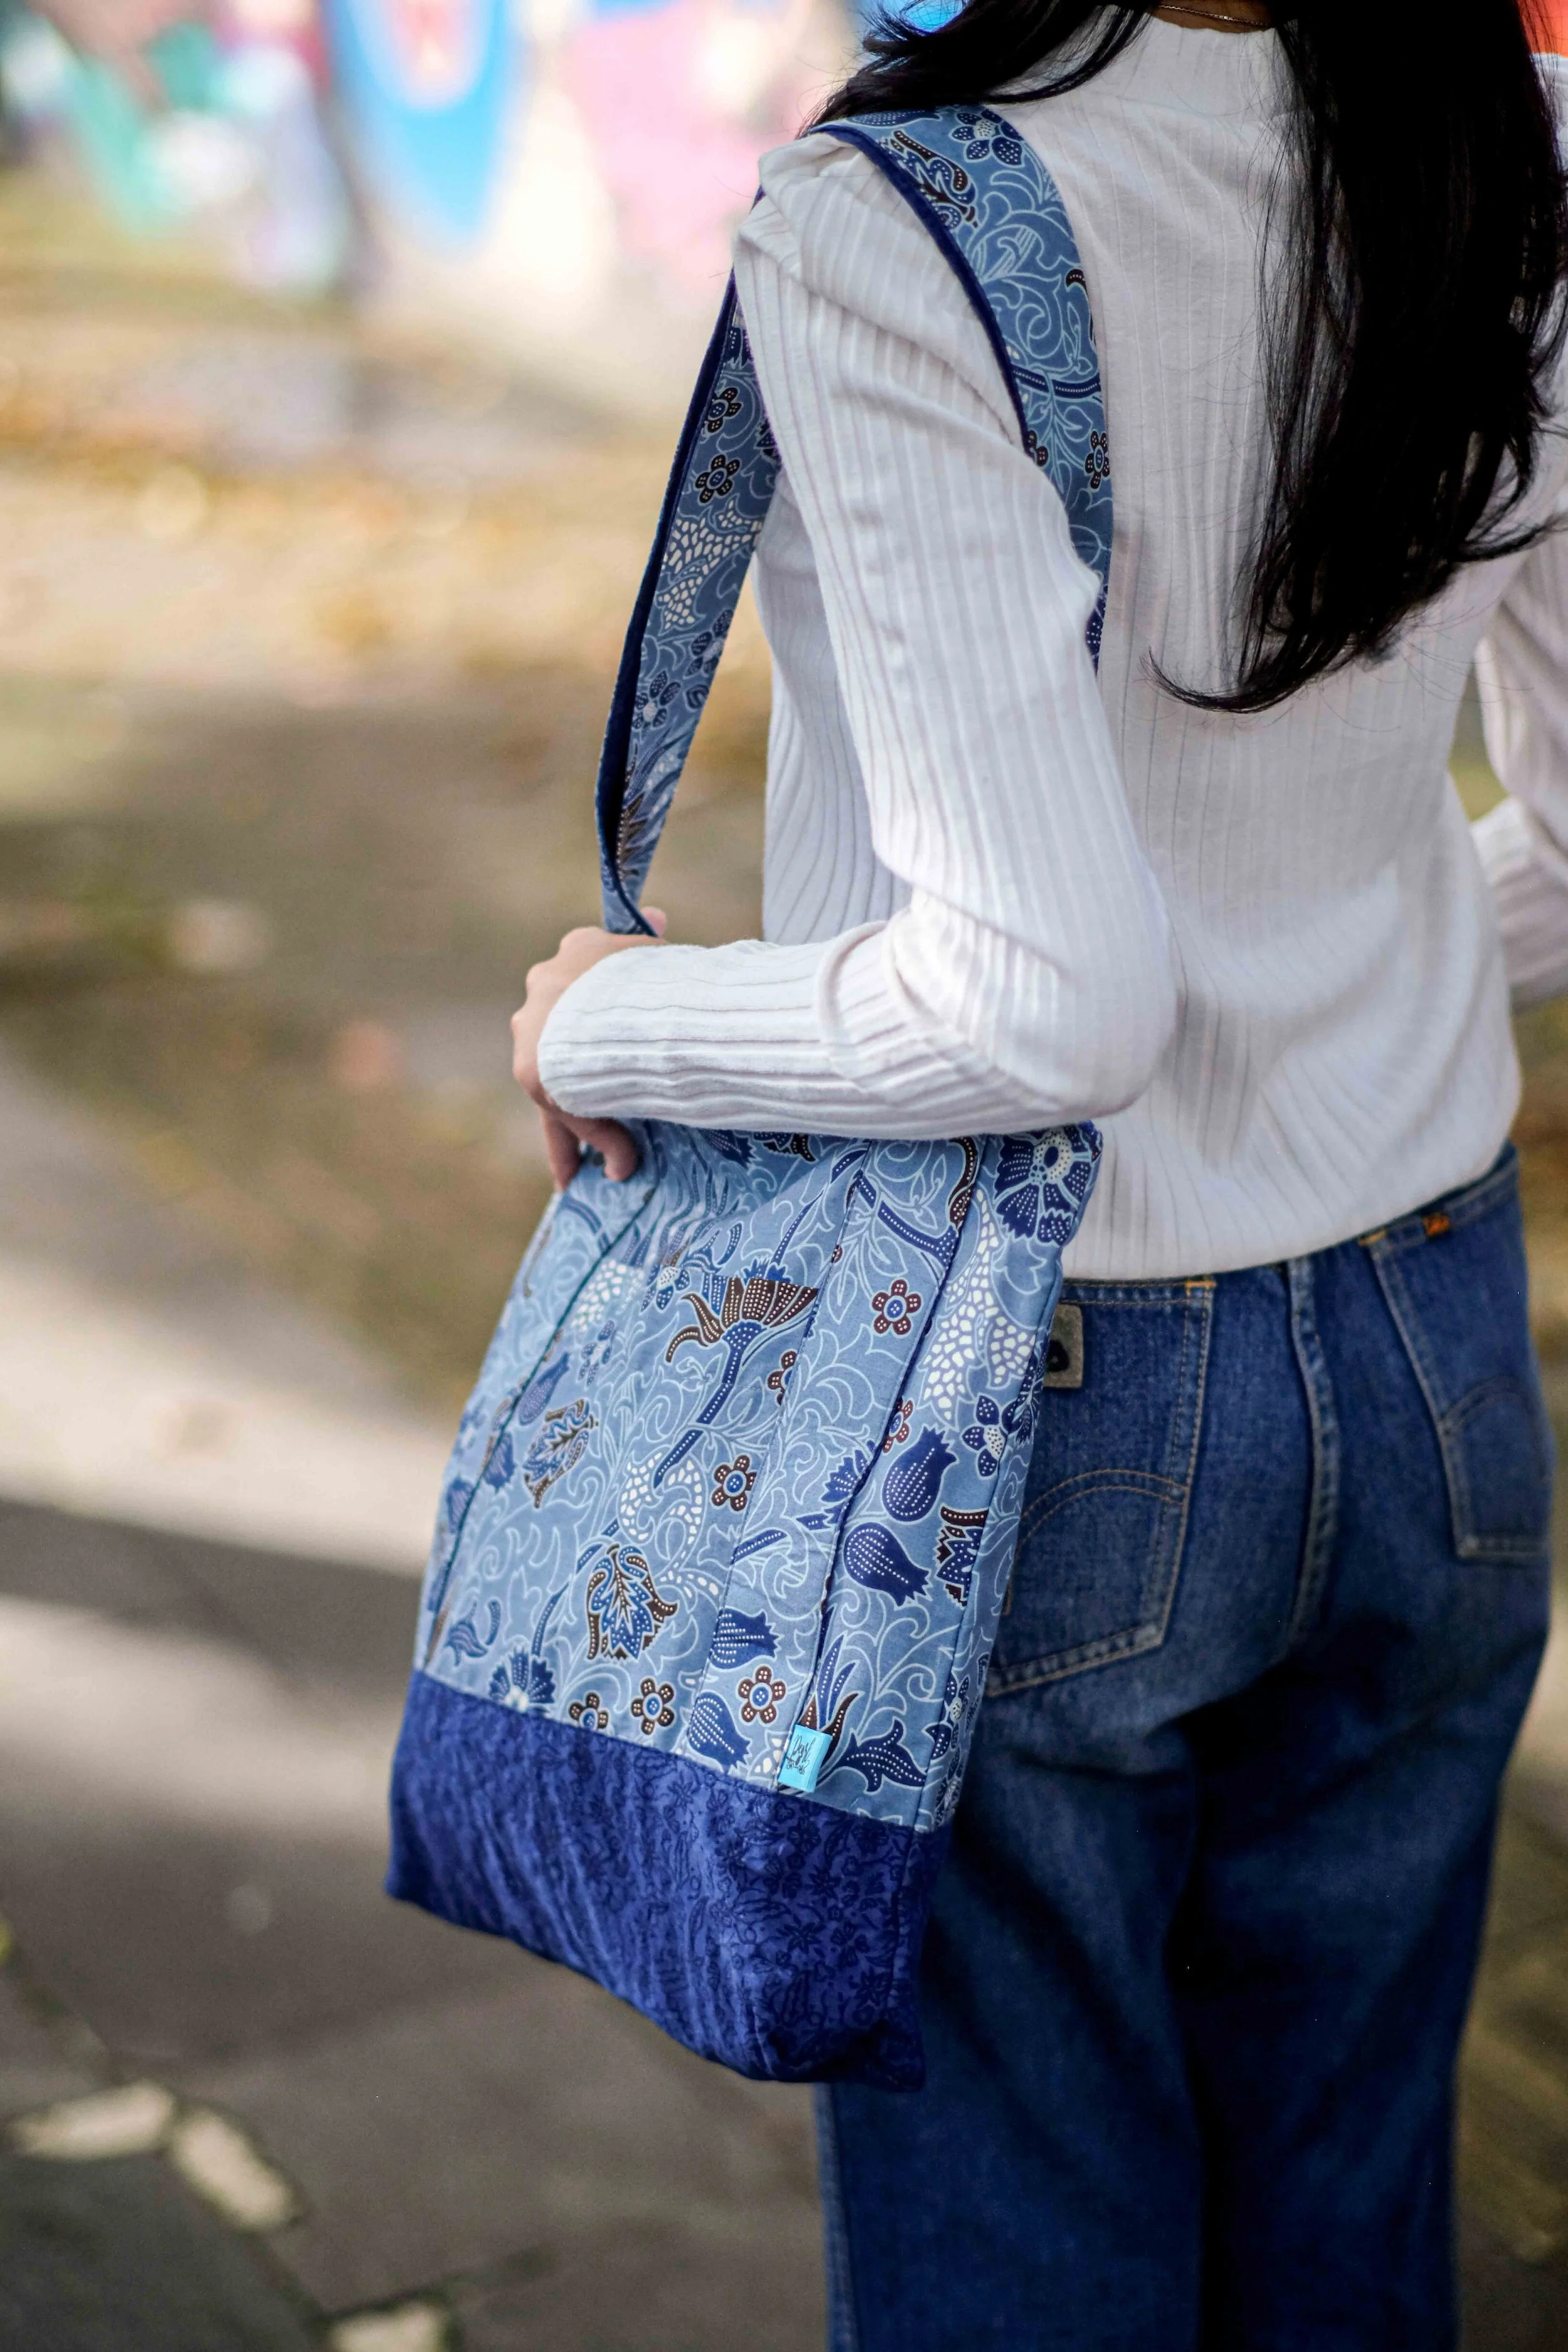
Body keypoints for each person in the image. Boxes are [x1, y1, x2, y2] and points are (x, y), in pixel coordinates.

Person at [509, 3, 1568, 2343]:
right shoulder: (1517, 150)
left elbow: (1037, 1002)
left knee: (1025, 2218)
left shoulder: (897, 218)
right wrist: (1345, 979)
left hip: (1048, 1388)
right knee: (1347, 2193)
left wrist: (606, 1020)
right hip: (1440, 1349)